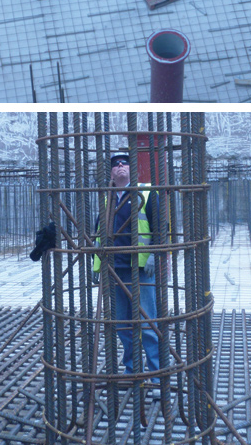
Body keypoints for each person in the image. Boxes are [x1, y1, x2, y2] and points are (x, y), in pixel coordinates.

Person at [93, 153, 162, 376]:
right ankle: (133, 370)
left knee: (147, 325)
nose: (120, 166)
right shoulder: (108, 197)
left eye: (125, 163)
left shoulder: (147, 192)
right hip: (115, 269)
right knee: (123, 325)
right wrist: (96, 267)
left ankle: (156, 374)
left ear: (133, 170)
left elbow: (160, 225)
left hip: (140, 269)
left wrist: (153, 254)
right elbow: (99, 235)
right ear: (111, 172)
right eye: (115, 164)